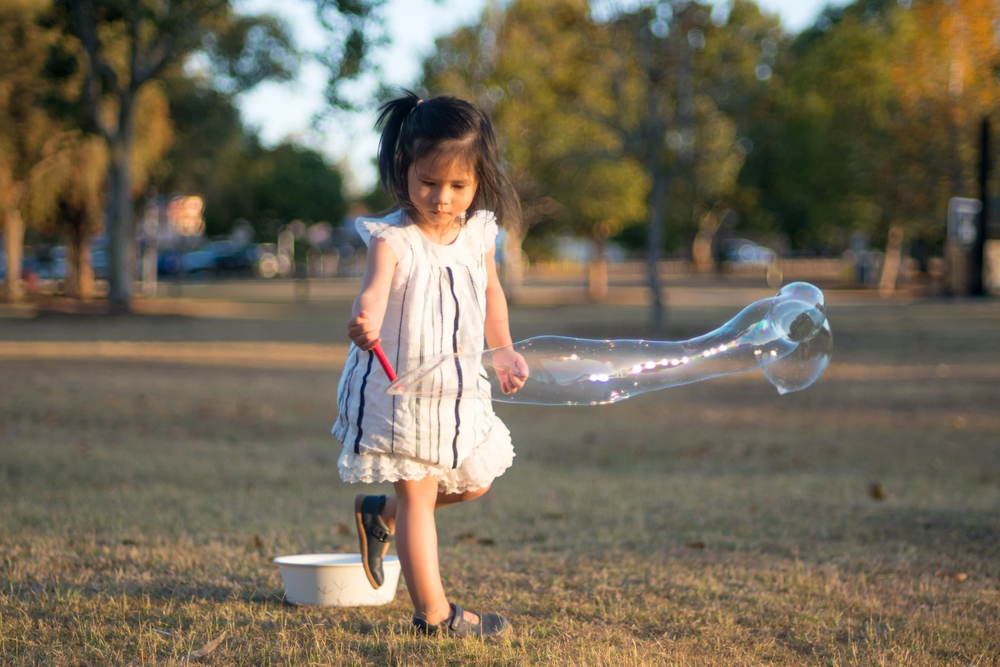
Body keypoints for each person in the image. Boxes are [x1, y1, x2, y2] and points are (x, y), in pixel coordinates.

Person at [333, 90, 529, 638]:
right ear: (404, 170)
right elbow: (370, 294)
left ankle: (380, 514)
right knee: (418, 492)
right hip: (399, 390)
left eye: (458, 186)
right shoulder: (393, 238)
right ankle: (435, 615)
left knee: (474, 482)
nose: (443, 198)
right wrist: (363, 319)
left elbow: (491, 296)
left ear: (478, 179)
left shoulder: (479, 235)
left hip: (458, 387)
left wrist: (505, 348)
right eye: (429, 183)